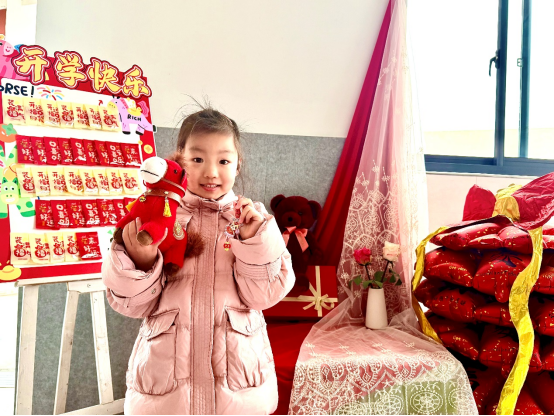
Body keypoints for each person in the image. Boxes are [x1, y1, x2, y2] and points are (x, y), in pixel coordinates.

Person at [102, 107, 295, 415]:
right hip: (167, 386)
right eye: (197, 159)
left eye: (223, 161)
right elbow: (133, 305)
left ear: (238, 165)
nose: (211, 172)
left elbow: (263, 296)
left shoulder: (252, 220)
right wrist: (142, 262)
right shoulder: (158, 217)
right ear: (178, 162)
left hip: (238, 384)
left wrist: (253, 242)